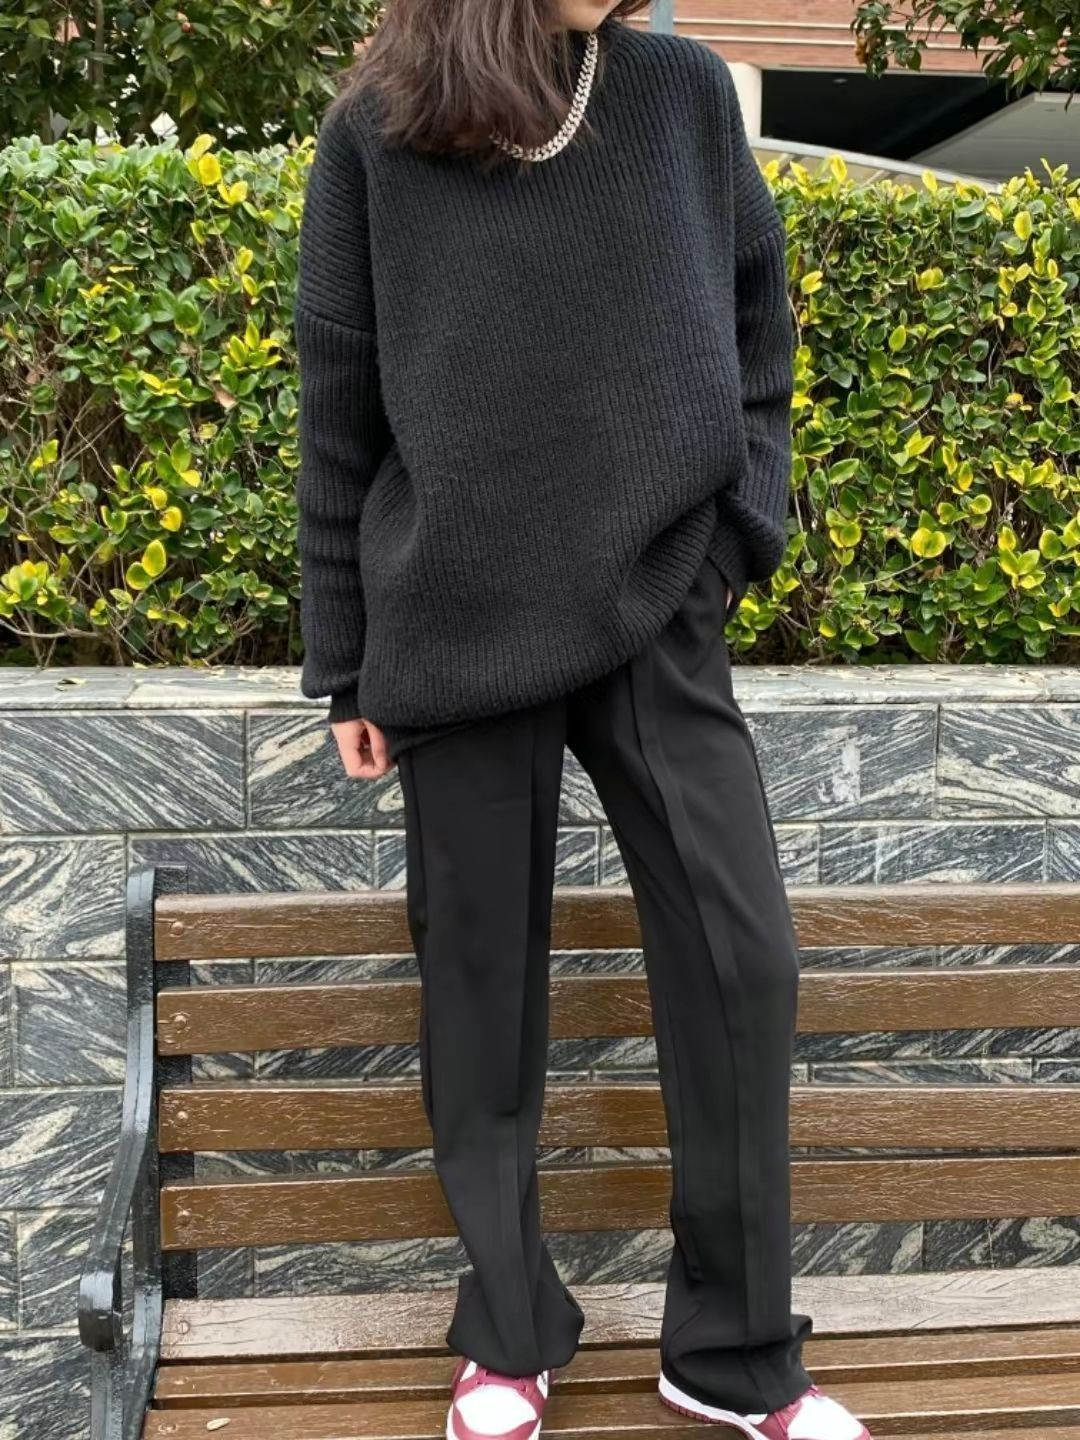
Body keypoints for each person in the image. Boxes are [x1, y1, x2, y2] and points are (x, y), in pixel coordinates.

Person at [293, 2, 873, 1438]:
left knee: (745, 961)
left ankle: (734, 1350)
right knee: (480, 986)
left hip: (657, 598)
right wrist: (346, 664)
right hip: (458, 621)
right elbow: (339, 404)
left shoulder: (678, 92)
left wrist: (733, 537)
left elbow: (759, 318)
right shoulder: (375, 130)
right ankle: (507, 1332)